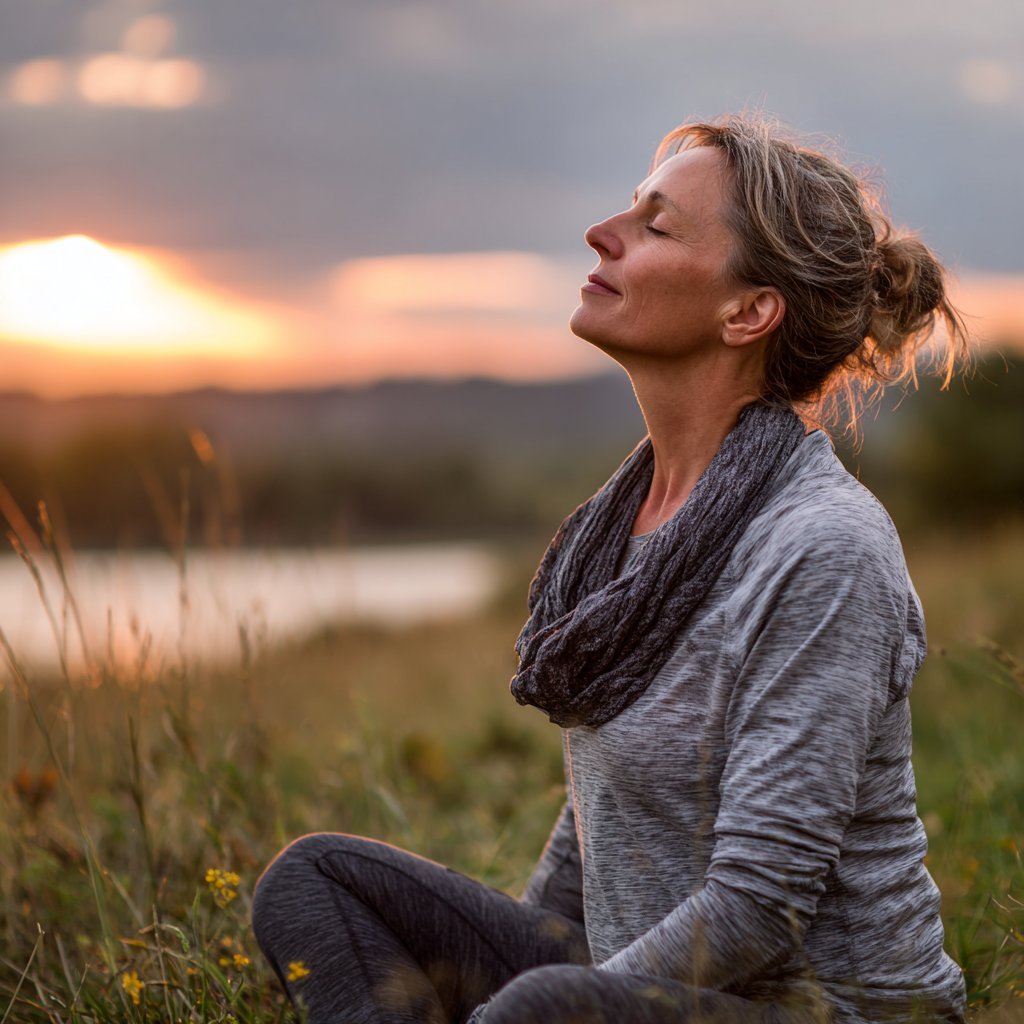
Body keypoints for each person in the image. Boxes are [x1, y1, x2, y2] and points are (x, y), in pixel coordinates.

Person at [251, 114, 969, 1024]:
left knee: (543, 1008)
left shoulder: (823, 546)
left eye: (656, 225)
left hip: (838, 1010)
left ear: (747, 311)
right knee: (317, 881)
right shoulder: (626, 535)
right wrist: (540, 982)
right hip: (648, 991)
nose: (603, 233)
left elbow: (762, 905)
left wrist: (541, 1003)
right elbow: (601, 842)